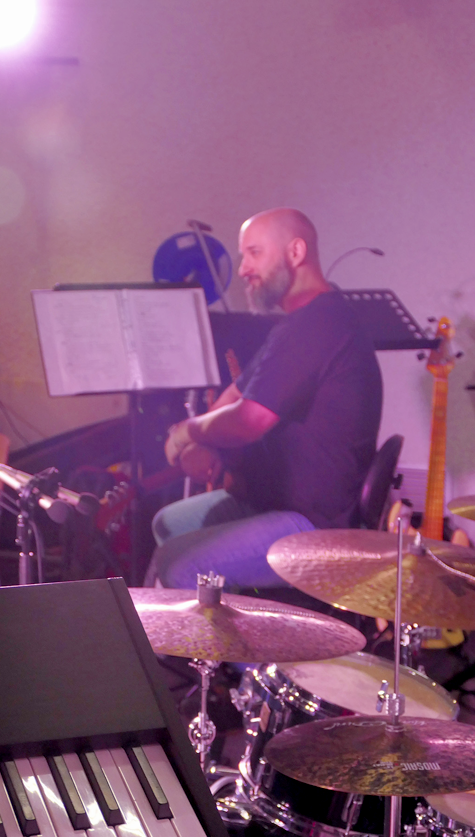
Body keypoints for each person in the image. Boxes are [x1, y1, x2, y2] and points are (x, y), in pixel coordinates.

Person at [149, 207, 383, 590]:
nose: (243, 269)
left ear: (296, 252)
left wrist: (189, 431)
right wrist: (203, 445)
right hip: (271, 501)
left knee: (179, 565)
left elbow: (249, 419)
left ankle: (236, 630)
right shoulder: (298, 323)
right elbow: (238, 392)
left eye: (254, 253)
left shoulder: (320, 323)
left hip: (312, 523)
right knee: (168, 523)